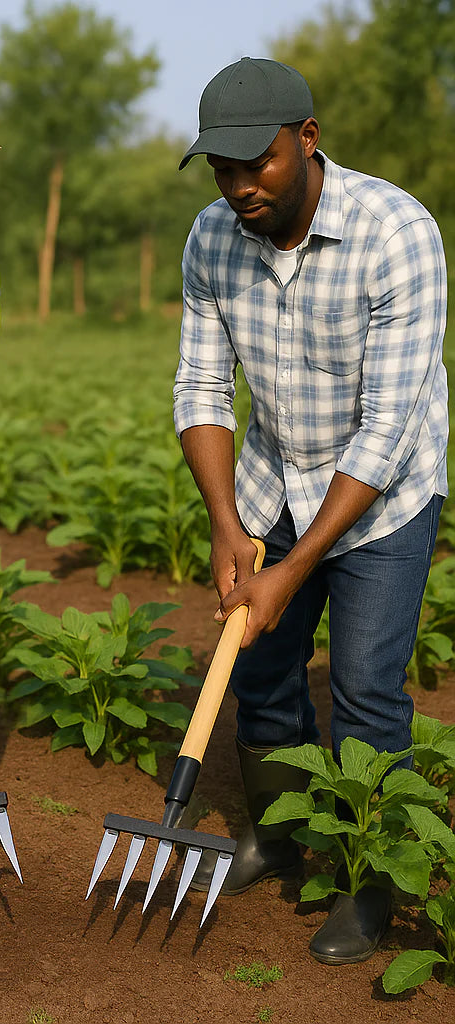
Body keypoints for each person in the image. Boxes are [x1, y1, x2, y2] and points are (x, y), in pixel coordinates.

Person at [174, 56, 447, 964]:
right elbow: (202, 387)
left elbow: (387, 428)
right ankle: (276, 836)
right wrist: (229, 526)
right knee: (261, 672)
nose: (239, 186)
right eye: (222, 169)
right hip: (271, 478)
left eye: (257, 162)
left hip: (383, 493)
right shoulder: (212, 238)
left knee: (366, 689)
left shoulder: (395, 232)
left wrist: (293, 569)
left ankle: (369, 884)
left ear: (308, 139)